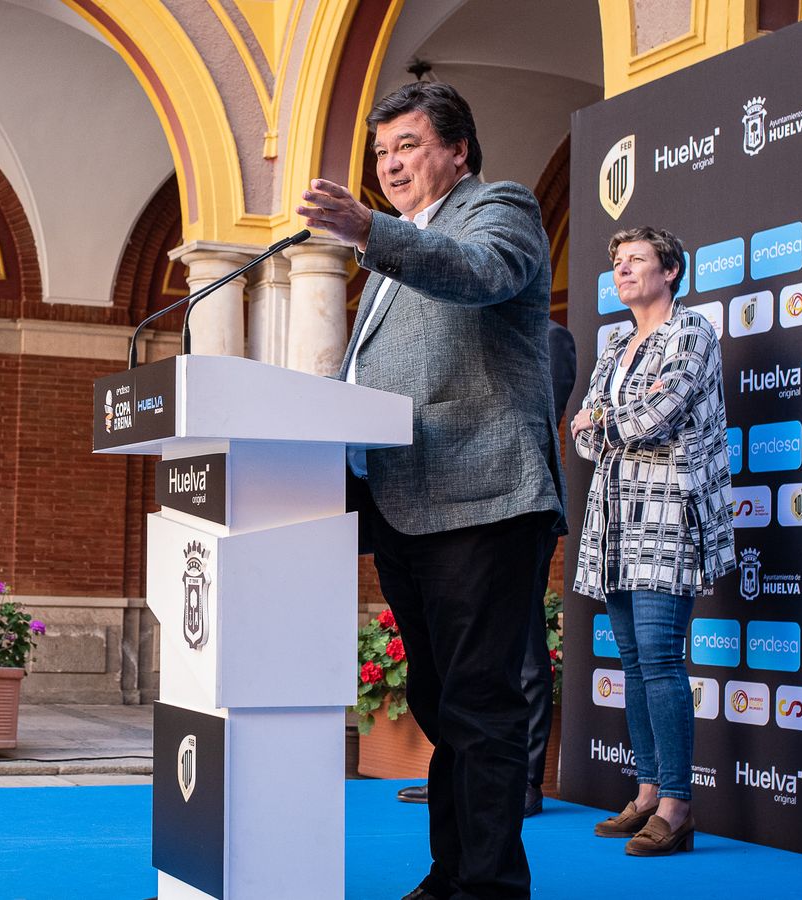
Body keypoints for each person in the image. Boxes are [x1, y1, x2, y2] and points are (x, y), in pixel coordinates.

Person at [298, 81, 564, 900]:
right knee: (443, 702)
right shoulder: (398, 247)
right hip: (408, 501)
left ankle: (489, 886)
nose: (389, 163)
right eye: (381, 153)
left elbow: (480, 275)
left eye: (407, 145)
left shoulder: (499, 210)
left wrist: (370, 231)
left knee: (480, 704)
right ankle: (453, 872)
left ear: (458, 150)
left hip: (484, 495)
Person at [571, 226, 736, 856]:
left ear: (670, 271)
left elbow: (654, 417)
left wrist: (604, 422)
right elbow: (583, 434)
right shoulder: (616, 342)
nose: (623, 269)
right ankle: (645, 795)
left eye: (637, 260)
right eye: (617, 261)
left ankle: (677, 806)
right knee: (635, 662)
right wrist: (606, 425)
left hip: (669, 515)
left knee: (663, 660)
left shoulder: (691, 332)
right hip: (614, 522)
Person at [399, 319, 576, 817]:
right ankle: (462, 775)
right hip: (456, 512)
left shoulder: (547, 334)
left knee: (521, 647)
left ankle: (523, 783)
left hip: (517, 509)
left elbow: (534, 415)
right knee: (458, 653)